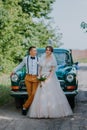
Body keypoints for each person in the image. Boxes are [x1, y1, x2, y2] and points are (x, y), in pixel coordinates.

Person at [27, 46, 73, 118]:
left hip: (49, 78)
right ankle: (40, 112)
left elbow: (52, 70)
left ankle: (51, 111)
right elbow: (40, 67)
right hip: (42, 76)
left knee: (51, 94)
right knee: (40, 94)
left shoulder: (52, 59)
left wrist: (48, 78)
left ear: (51, 51)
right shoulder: (42, 57)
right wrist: (39, 76)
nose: (47, 51)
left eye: (49, 50)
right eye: (46, 50)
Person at [12, 46, 39, 115]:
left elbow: (42, 67)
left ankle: (24, 107)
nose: (35, 52)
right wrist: (13, 71)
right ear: (30, 52)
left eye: (36, 51)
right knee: (30, 94)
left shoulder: (39, 59)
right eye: (34, 50)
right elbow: (20, 65)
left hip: (36, 78)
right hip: (28, 78)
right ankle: (31, 109)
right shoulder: (25, 59)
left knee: (34, 93)